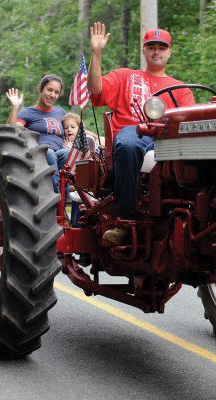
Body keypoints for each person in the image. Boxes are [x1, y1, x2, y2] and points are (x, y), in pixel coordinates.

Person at [87, 22, 195, 246]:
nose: (157, 51)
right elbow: (95, 90)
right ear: (144, 51)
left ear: (169, 52)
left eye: (162, 47)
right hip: (133, 132)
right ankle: (125, 221)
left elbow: (189, 121)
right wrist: (96, 54)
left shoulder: (180, 88)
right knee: (128, 145)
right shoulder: (125, 76)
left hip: (166, 139)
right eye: (152, 47)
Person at [6, 74, 70, 192]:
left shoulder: (60, 112)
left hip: (59, 154)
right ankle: (57, 198)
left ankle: (68, 200)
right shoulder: (27, 112)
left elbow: (75, 127)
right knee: (49, 153)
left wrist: (96, 137)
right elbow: (13, 130)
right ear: (41, 89)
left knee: (69, 152)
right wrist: (15, 107)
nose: (52, 95)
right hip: (38, 156)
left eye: (56, 92)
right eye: (49, 90)